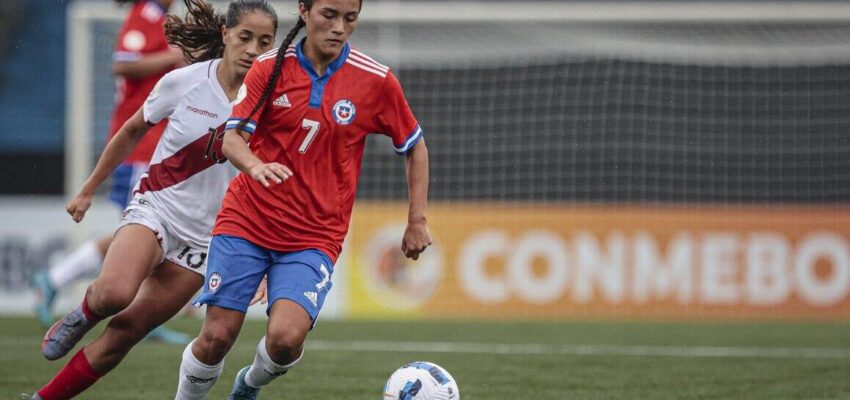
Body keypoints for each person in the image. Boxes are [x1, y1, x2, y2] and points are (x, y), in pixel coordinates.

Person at [173, 0, 432, 398]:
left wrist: (417, 220)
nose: (339, 28)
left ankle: (249, 384)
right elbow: (232, 139)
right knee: (216, 337)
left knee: (285, 339)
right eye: (329, 15)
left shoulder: (376, 80)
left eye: (350, 18)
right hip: (247, 220)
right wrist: (256, 167)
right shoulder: (269, 68)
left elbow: (414, 146)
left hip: (314, 236)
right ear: (304, 11)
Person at [27, 1, 278, 399]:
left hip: (205, 242)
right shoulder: (185, 81)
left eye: (264, 42)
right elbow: (131, 130)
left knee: (124, 335)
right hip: (157, 208)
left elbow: (269, 186)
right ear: (226, 35)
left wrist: (262, 258)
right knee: (113, 295)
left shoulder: (273, 105)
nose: (252, 48)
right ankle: (82, 314)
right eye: (245, 37)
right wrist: (89, 188)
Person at [31, 0, 190, 345]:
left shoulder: (161, 18)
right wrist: (175, 58)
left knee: (140, 235)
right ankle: (69, 285)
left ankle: (56, 279)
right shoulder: (145, 15)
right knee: (142, 235)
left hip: (156, 144)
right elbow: (122, 63)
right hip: (141, 146)